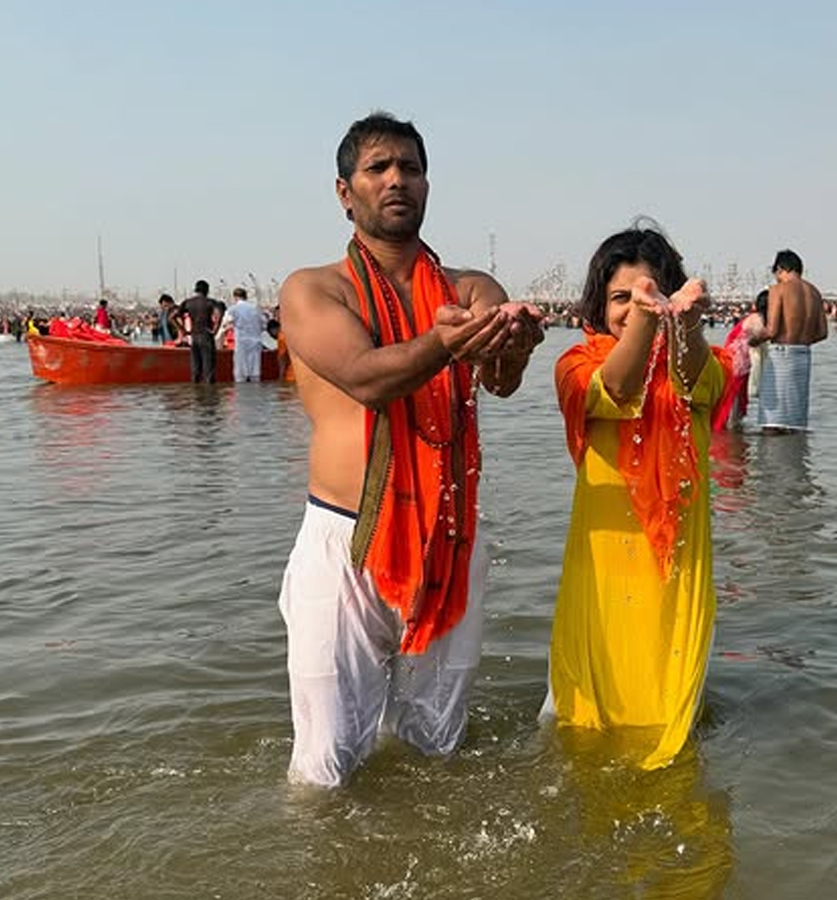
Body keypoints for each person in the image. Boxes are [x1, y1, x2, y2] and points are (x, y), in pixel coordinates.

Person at [276, 112, 543, 788]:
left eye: (412, 168)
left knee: (438, 747)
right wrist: (445, 343)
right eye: (379, 167)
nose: (398, 179)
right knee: (326, 766)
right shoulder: (312, 290)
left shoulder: (472, 290)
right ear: (345, 192)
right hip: (345, 540)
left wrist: (513, 347)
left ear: (428, 185)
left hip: (449, 540)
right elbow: (368, 378)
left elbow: (501, 386)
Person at [543, 223, 730, 770]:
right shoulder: (576, 365)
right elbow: (618, 387)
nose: (632, 307)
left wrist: (688, 324)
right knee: (586, 736)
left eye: (648, 293)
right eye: (620, 298)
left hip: (677, 583)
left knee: (674, 739)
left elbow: (698, 376)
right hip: (603, 582)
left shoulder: (699, 365)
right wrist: (650, 319)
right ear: (599, 307)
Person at [750, 249, 828, 431]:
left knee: (772, 423)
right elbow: (823, 332)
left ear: (780, 269)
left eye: (776, 274)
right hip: (803, 356)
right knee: (794, 423)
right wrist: (802, 340)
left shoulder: (778, 290)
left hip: (780, 356)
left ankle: (773, 460)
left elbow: (772, 330)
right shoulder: (814, 292)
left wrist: (752, 341)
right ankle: (795, 459)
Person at [713, 289, 767, 430]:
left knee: (735, 396)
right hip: (737, 362)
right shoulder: (757, 320)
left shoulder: (754, 318)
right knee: (732, 397)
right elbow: (768, 335)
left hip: (736, 361)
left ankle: (732, 431)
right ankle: (729, 430)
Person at [174, 280, 218, 382]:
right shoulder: (210, 302)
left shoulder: (188, 303)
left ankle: (196, 396)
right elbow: (219, 314)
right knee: (209, 371)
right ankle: (210, 396)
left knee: (195, 370)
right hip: (206, 336)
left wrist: (183, 330)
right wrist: (215, 329)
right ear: (207, 290)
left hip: (194, 337)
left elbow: (172, 317)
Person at [224, 286, 266, 381]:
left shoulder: (233, 309)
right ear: (246, 296)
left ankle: (241, 392)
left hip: (241, 342)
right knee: (255, 371)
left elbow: (226, 322)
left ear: (235, 297)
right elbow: (264, 325)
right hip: (256, 342)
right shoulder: (256, 309)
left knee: (240, 372)